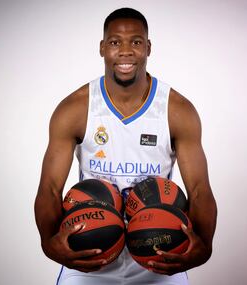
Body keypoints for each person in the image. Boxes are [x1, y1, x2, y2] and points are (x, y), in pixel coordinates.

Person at [35, 7, 217, 285]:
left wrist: (204, 245)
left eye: (135, 42)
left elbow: (199, 190)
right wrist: (49, 243)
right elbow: (49, 188)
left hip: (159, 248)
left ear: (148, 47)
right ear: (102, 48)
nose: (125, 51)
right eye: (115, 42)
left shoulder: (177, 110)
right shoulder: (75, 109)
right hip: (90, 249)